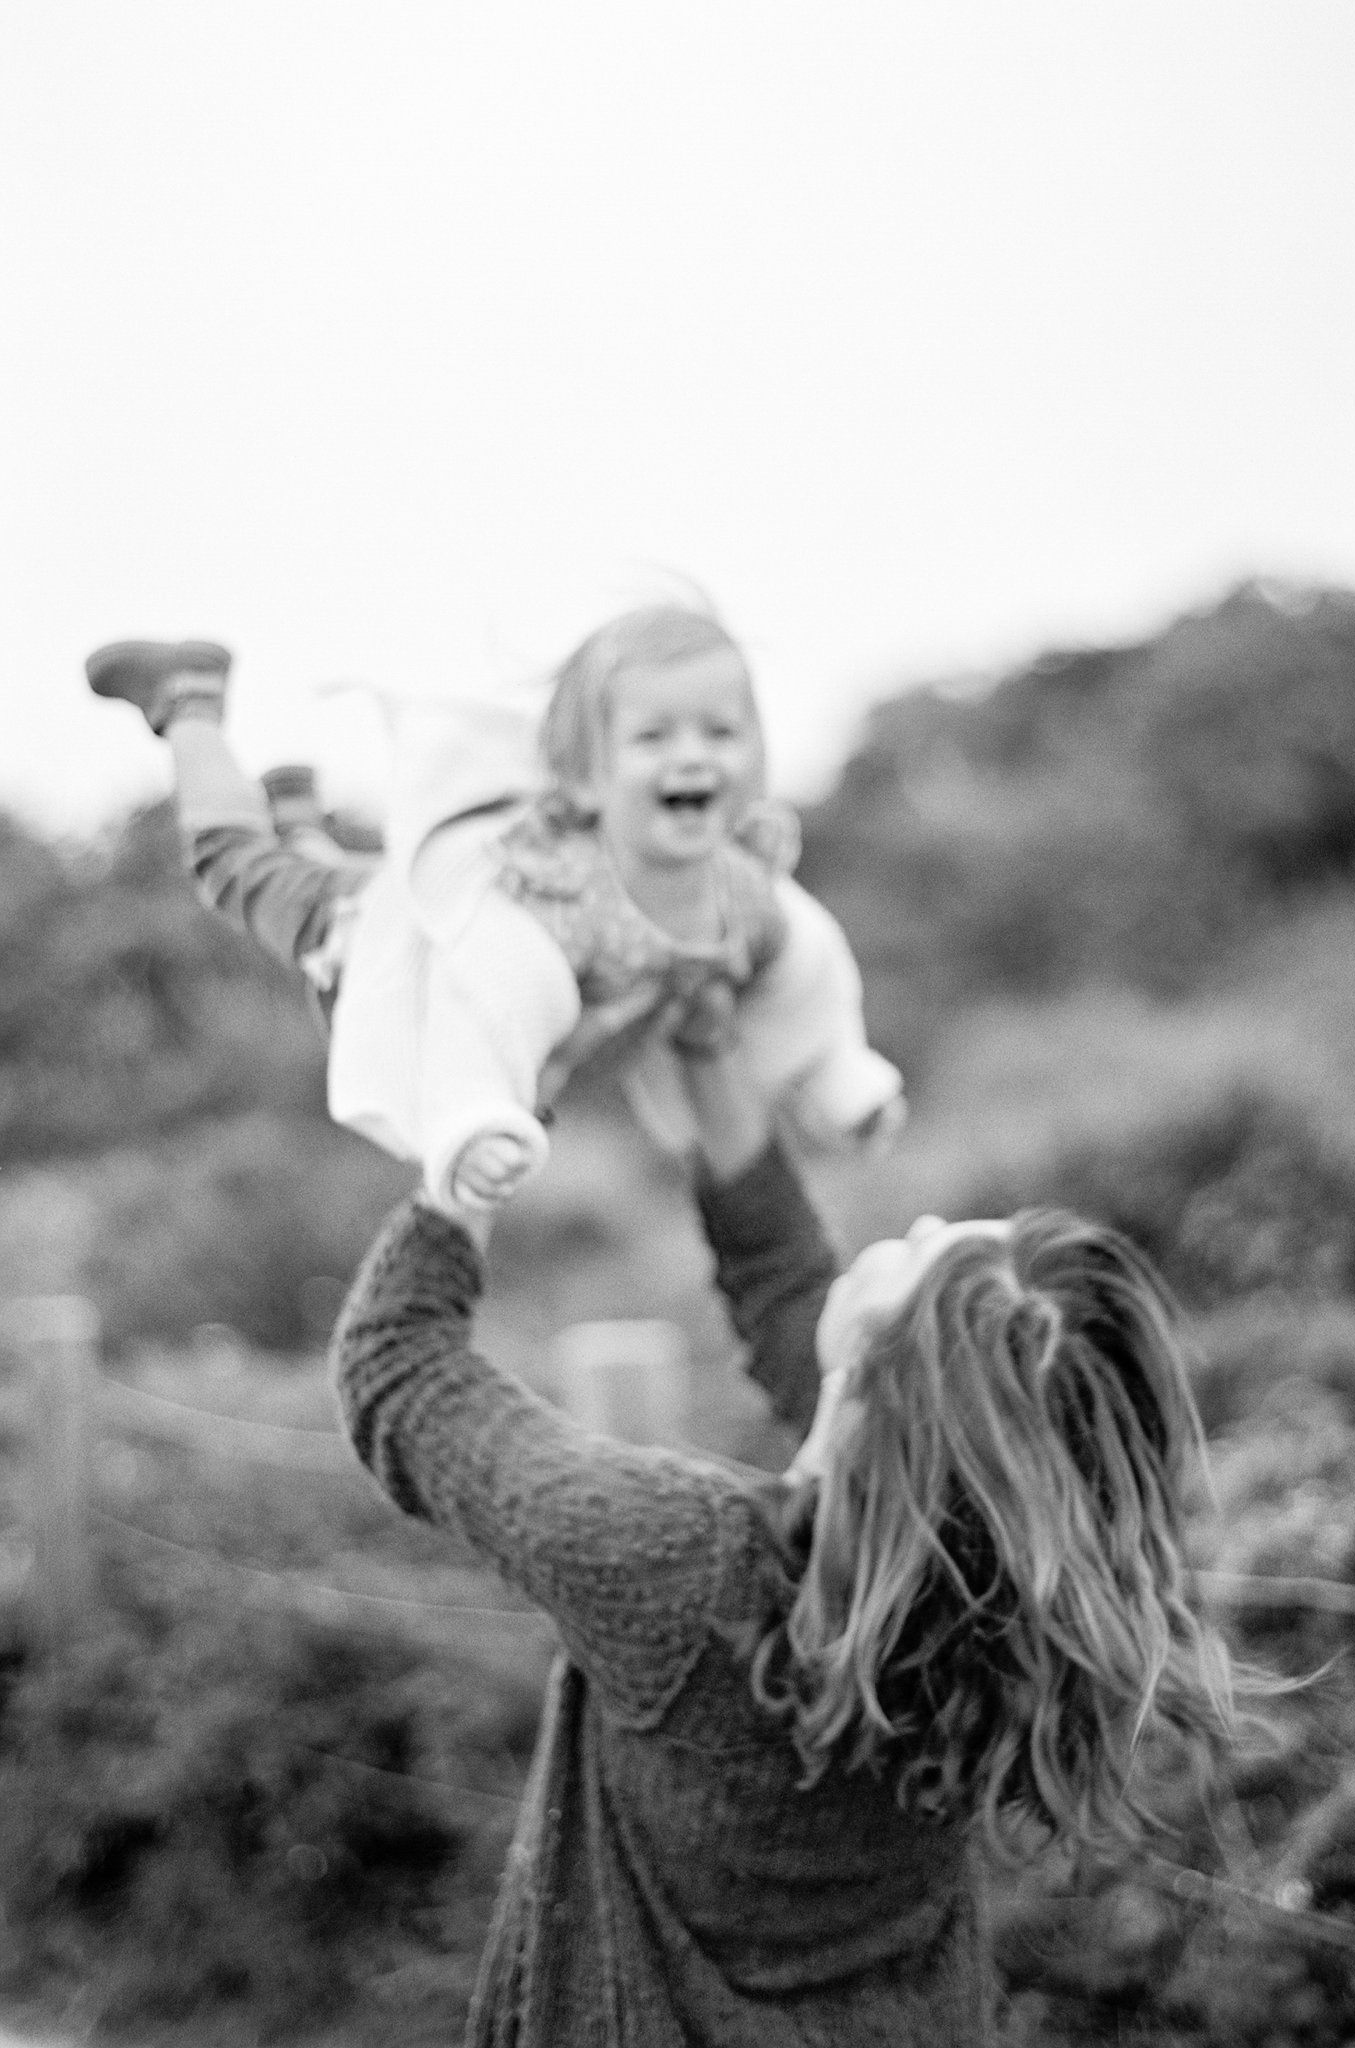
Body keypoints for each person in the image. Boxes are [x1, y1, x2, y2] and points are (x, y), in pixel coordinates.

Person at [329, 1014, 1240, 2047]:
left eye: (916, 1247)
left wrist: (486, 1124)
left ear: (872, 1374)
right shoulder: (981, 1599)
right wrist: (706, 1042)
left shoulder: (675, 1558)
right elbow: (802, 1303)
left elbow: (396, 1368)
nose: (927, 1217)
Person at [85, 612, 904, 1210]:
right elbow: (487, 1008)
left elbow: (809, 976)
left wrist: (840, 1080)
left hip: (440, 907)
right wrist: (476, 1121)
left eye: (720, 731)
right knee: (240, 868)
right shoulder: (556, 905)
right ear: (585, 778)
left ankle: (302, 811)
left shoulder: (745, 889)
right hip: (383, 948)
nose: (693, 753)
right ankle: (190, 703)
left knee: (362, 869)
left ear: (758, 753)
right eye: (656, 737)